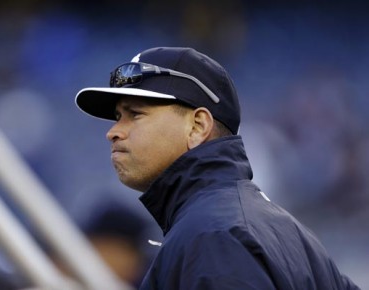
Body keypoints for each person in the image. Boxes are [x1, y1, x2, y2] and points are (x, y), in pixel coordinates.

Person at [74, 47, 360, 289]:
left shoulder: (214, 236)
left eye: (134, 114)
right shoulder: (256, 222)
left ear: (197, 126)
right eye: (117, 116)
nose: (113, 132)